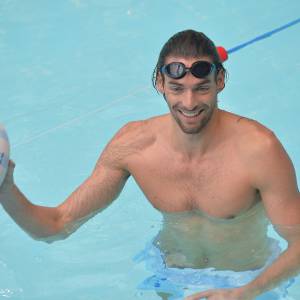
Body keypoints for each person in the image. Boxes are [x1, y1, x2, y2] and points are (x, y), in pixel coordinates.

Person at [0, 30, 300, 300]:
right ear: (160, 83)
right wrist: (5, 187)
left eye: (202, 88)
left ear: (220, 81)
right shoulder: (133, 146)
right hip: (169, 274)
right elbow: (55, 226)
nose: (190, 102)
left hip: (247, 281)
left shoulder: (259, 150)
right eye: (177, 88)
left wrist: (245, 292)